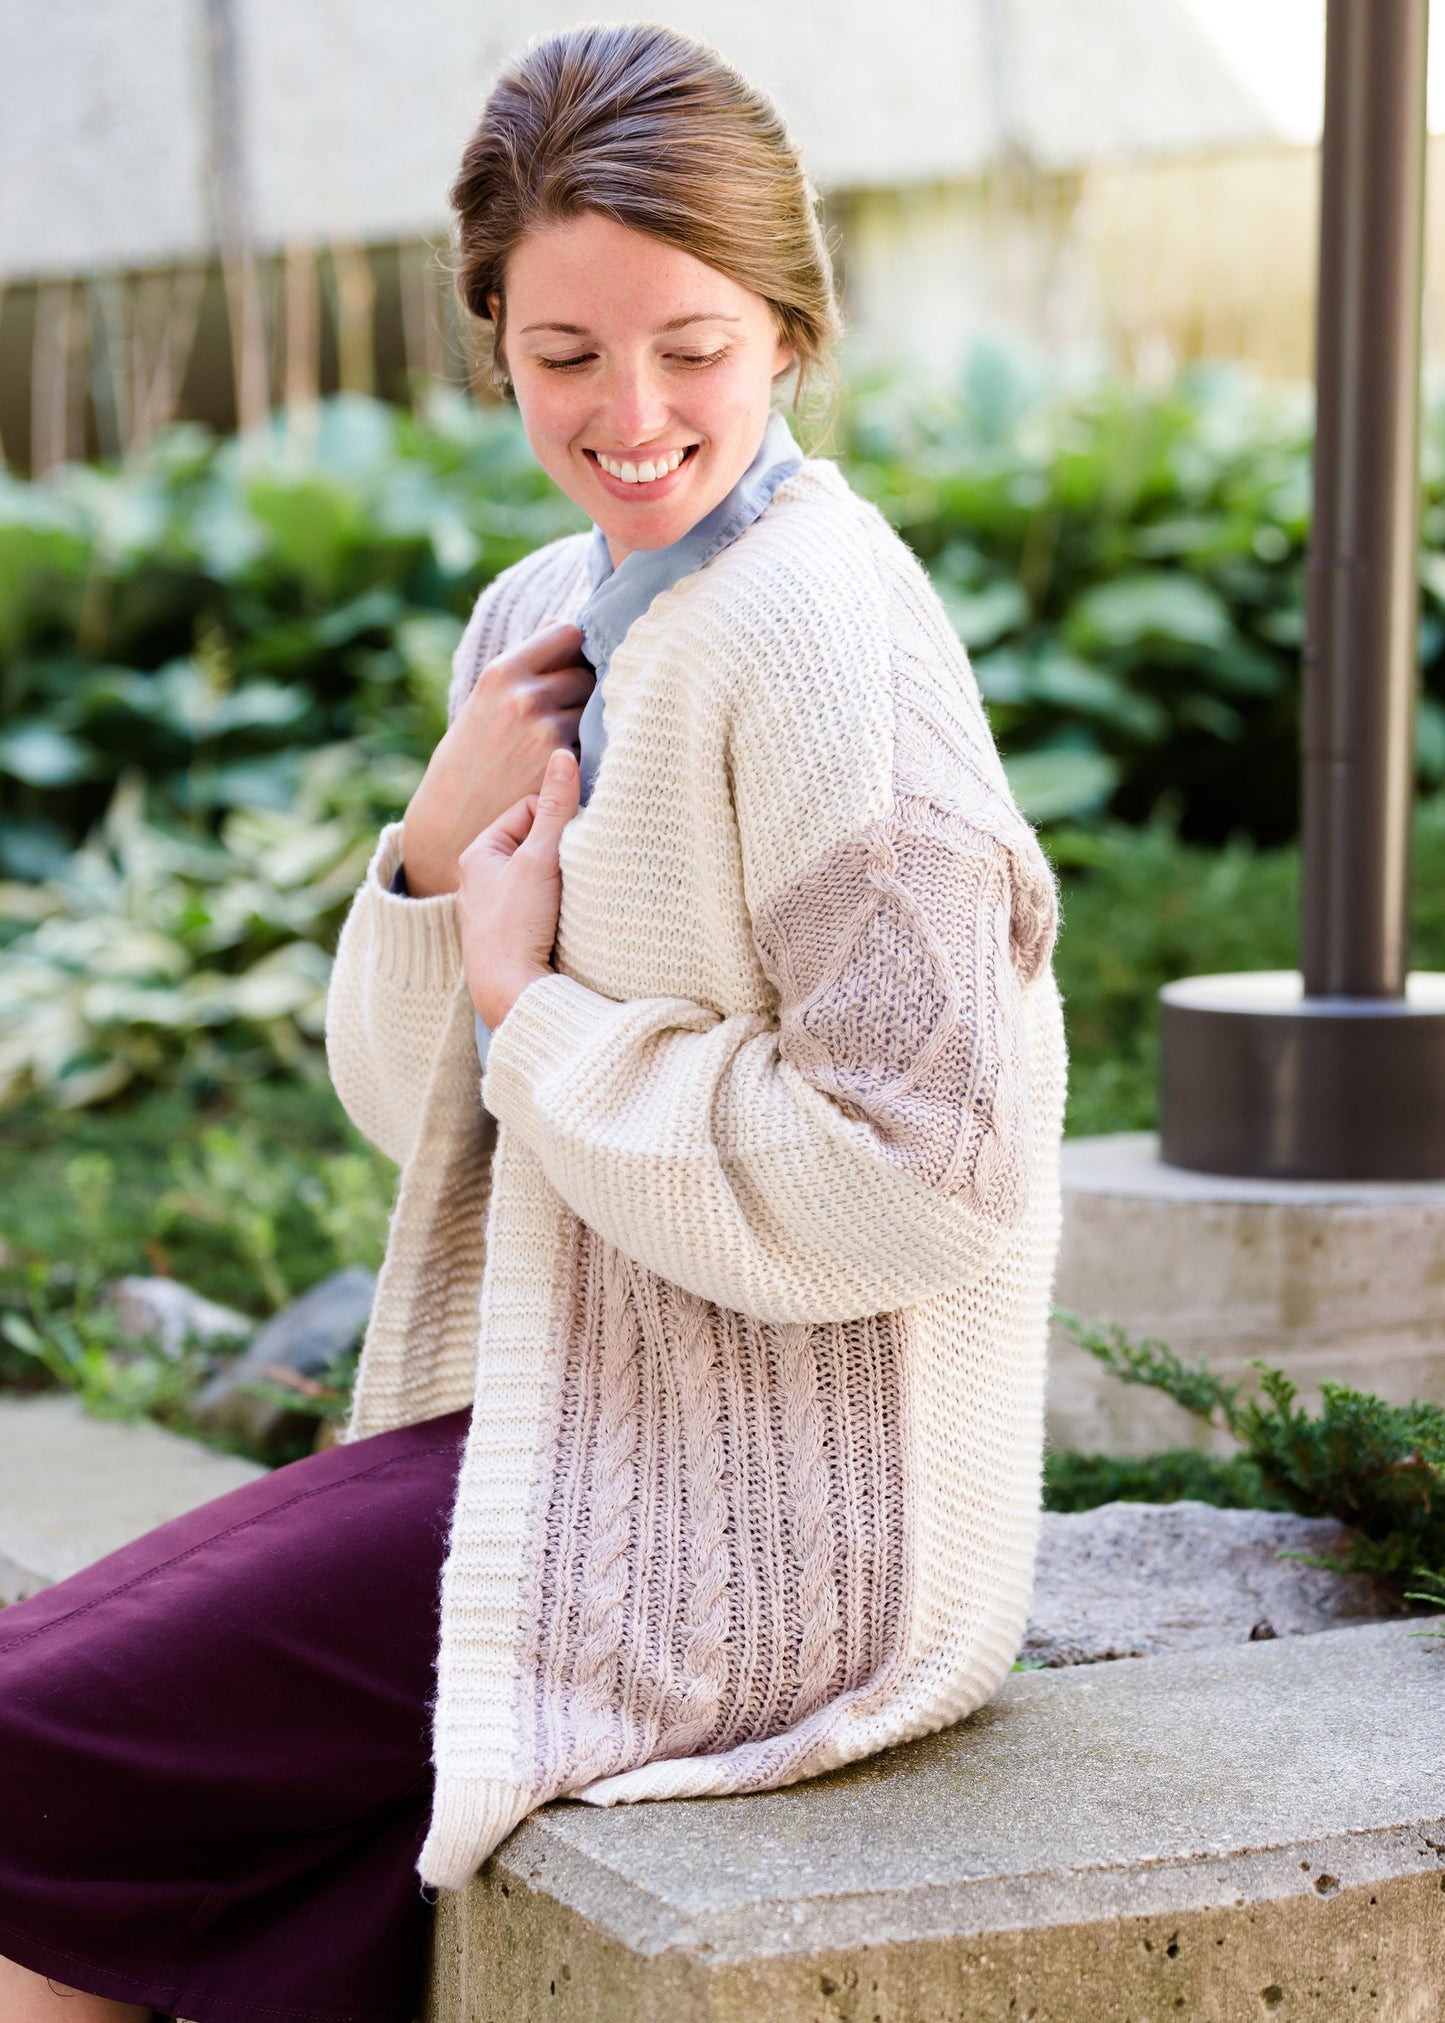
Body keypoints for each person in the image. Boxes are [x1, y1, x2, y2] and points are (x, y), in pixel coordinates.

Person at [0, 22, 1066, 2023]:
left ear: (789, 327)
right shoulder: (543, 619)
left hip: (794, 1523)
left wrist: (538, 1009)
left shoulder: (830, 642)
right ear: (491, 335)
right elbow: (429, 1123)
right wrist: (428, 859)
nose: (631, 410)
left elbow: (936, 1167)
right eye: (565, 355)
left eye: (691, 344)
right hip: (554, 1430)